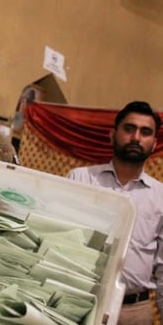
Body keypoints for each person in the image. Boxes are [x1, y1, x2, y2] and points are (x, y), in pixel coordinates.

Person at [66, 101, 163, 325]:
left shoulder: (160, 196)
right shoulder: (80, 180)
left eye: (145, 132)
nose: (136, 137)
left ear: (154, 144)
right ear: (112, 135)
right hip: (78, 300)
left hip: (134, 312)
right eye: (129, 129)